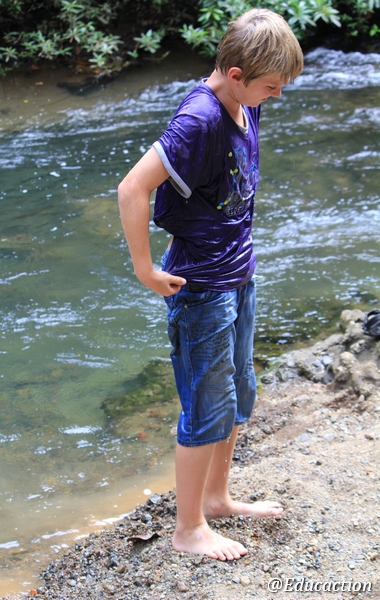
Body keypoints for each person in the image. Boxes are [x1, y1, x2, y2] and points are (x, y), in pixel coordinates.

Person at [118, 8, 304, 561]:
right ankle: (188, 528)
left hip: (238, 274)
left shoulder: (245, 101)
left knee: (237, 391)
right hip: (200, 285)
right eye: (271, 87)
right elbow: (132, 188)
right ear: (236, 73)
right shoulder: (198, 120)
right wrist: (145, 269)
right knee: (205, 403)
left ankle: (217, 500)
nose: (277, 96)